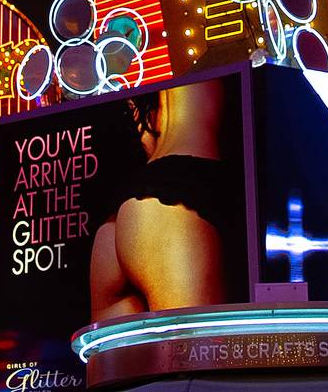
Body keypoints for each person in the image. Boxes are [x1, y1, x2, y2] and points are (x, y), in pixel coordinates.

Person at [88, 80, 239, 318]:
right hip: (183, 199)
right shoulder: (212, 61)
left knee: (118, 354)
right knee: (196, 352)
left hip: (127, 217)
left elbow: (145, 137)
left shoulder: (145, 79)